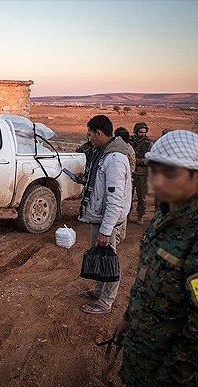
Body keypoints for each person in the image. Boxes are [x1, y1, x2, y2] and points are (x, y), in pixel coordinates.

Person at [113, 130, 198, 387]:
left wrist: (169, 382)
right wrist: (128, 318)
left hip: (165, 381)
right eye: (156, 170)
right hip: (140, 359)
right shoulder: (162, 219)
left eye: (170, 173)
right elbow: (148, 281)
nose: (158, 180)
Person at [76, 115, 132, 314]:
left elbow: (115, 199)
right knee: (100, 256)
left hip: (108, 221)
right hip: (99, 217)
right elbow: (101, 185)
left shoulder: (115, 159)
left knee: (109, 259)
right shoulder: (103, 154)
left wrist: (106, 231)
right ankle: (99, 291)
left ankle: (106, 301)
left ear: (99, 133)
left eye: (90, 134)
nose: (89, 138)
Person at [113, 126, 136, 242]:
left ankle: (119, 235)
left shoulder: (127, 149)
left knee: (121, 208)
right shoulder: (120, 148)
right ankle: (119, 234)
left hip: (124, 183)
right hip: (121, 182)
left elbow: (132, 166)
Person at [129, 122, 152, 225]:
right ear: (136, 131)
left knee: (141, 197)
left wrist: (139, 161)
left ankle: (140, 216)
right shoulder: (129, 141)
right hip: (131, 173)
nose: (142, 134)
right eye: (140, 132)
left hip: (142, 174)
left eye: (144, 132)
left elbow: (151, 159)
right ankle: (127, 214)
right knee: (127, 196)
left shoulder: (148, 143)